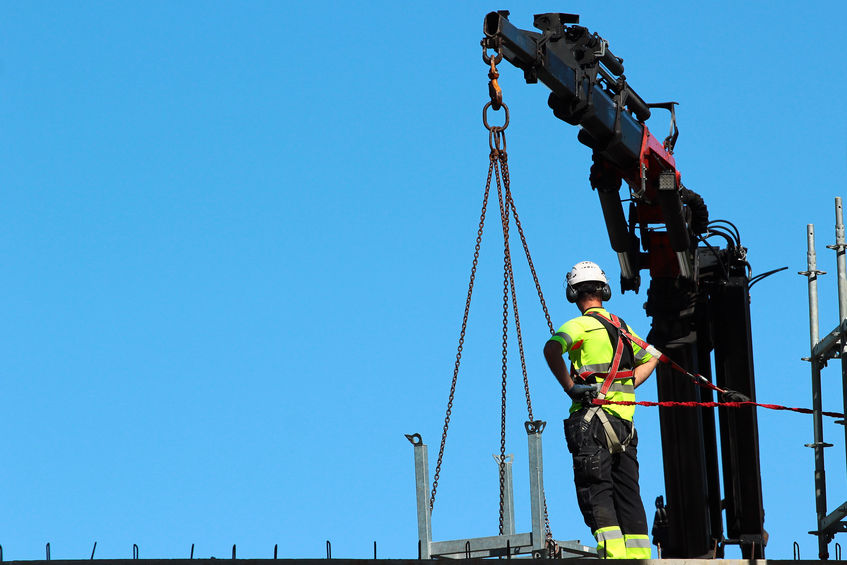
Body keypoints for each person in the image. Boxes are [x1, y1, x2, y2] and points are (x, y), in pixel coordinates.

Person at [543, 260, 659, 559]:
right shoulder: (622, 328)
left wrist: (570, 386)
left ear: (573, 294)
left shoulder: (579, 326)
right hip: (624, 425)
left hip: (592, 422)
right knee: (628, 492)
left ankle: (614, 554)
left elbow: (551, 349)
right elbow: (653, 357)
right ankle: (638, 556)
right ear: (603, 290)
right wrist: (630, 382)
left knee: (596, 488)